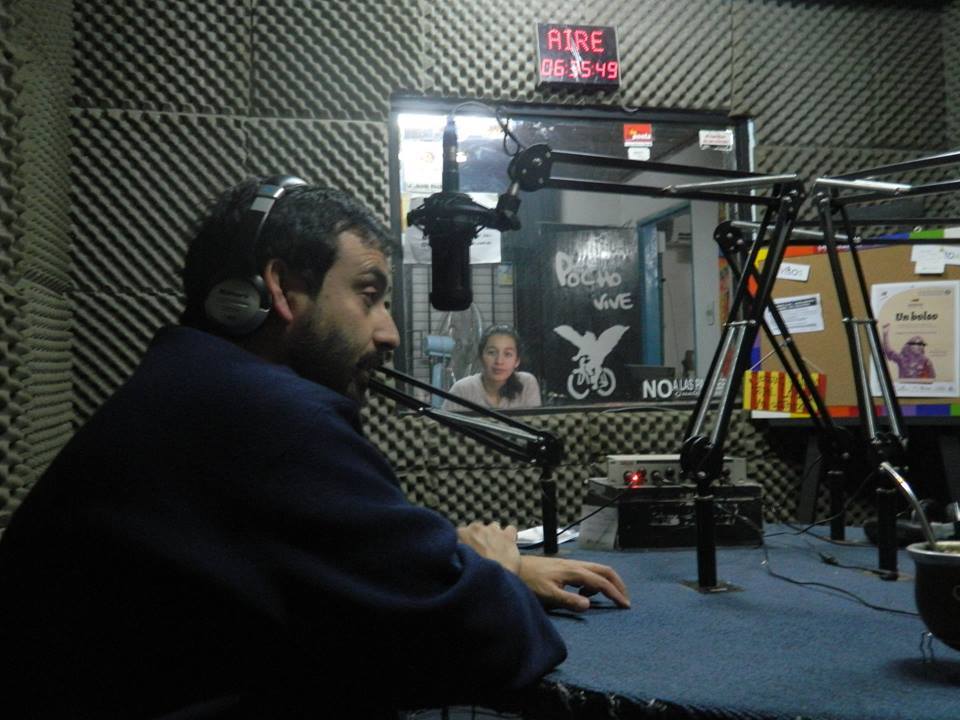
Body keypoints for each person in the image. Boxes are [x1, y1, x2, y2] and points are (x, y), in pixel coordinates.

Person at [0, 177, 629, 719]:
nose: (389, 333)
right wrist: (497, 569)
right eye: (368, 295)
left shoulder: (196, 386)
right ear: (279, 289)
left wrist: (471, 567)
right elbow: (491, 645)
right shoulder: (263, 415)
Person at [443, 324, 541, 412]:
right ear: (481, 357)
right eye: (491, 352)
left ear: (517, 361)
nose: (499, 361)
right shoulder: (462, 390)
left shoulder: (526, 383)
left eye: (507, 354)